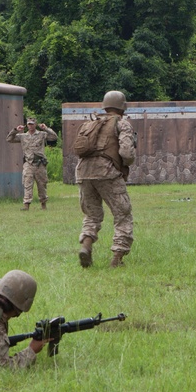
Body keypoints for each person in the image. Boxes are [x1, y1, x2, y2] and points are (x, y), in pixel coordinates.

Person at [76, 90, 136, 268]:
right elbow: (126, 152)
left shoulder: (92, 122)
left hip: (83, 172)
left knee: (92, 215)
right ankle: (117, 259)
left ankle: (86, 246)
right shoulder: (122, 123)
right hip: (107, 172)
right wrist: (126, 163)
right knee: (123, 214)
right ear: (122, 107)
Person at [6, 118, 58, 210]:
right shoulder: (23, 136)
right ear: (27, 124)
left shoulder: (41, 134)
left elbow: (54, 137)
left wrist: (46, 128)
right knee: (27, 184)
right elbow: (9, 139)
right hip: (28, 163)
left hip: (40, 164)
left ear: (35, 124)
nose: (30, 126)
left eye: (32, 124)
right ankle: (26, 205)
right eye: (29, 124)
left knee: (42, 184)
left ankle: (43, 205)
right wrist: (15, 130)